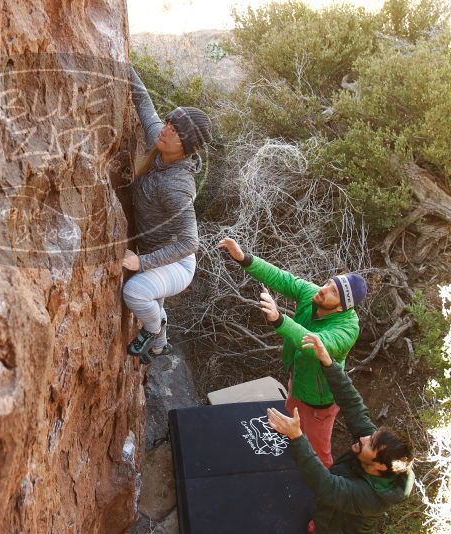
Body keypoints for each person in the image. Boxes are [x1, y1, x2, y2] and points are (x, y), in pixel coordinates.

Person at [218, 237, 365, 467]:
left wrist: (278, 319)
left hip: (319, 402)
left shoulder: (347, 328)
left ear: (340, 307)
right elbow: (281, 278)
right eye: (328, 282)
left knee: (319, 451)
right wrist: (243, 258)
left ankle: (322, 487)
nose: (323, 289)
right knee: (292, 421)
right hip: (297, 381)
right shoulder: (314, 294)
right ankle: (294, 454)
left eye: (332, 292)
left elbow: (315, 344)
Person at [267, 333, 414, 534]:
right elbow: (352, 403)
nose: (364, 437)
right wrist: (328, 362)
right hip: (329, 514)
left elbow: (326, 485)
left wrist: (296, 437)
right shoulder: (376, 450)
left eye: (370, 443)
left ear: (379, 465)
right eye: (371, 436)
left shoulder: (369, 498)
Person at [122, 66, 213, 364]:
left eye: (175, 130)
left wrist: (143, 262)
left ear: (186, 147)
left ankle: (153, 328)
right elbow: (144, 102)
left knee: (136, 292)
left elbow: (189, 242)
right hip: (157, 253)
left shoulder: (176, 184)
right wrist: (123, 66)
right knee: (155, 304)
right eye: (170, 122)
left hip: (177, 263)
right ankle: (160, 346)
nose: (166, 129)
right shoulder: (157, 144)